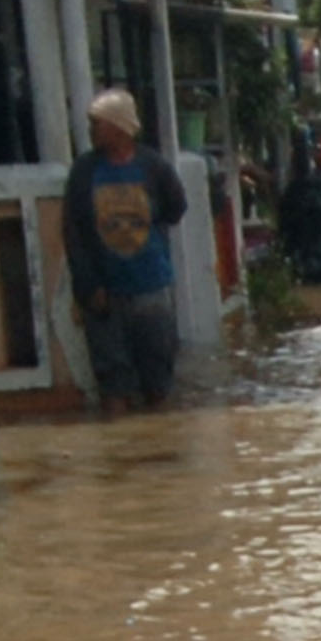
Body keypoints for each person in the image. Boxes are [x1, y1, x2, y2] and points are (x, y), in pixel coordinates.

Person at [60, 87, 186, 409]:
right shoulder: (84, 171)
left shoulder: (153, 166)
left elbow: (176, 207)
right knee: (113, 384)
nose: (91, 132)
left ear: (119, 127)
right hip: (105, 293)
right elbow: (73, 232)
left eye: (97, 124)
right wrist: (89, 285)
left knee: (158, 379)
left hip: (151, 287)